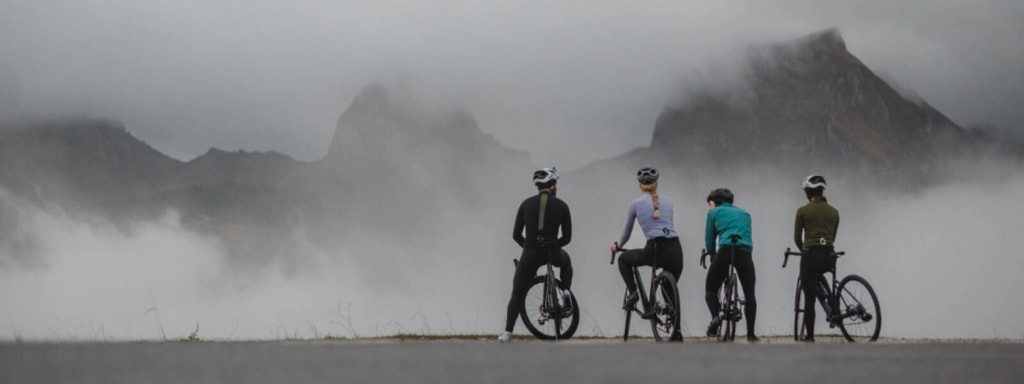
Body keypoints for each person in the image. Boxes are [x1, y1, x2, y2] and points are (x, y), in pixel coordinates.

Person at [499, 167, 573, 343]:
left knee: (517, 292)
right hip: (552, 251)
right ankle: (565, 292)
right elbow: (568, 237)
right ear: (553, 185)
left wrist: (530, 246)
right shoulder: (562, 205)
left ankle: (507, 333)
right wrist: (554, 245)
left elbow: (516, 235)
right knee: (566, 262)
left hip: (530, 252)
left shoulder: (525, 204)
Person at [610, 167, 684, 341]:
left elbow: (626, 233)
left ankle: (633, 292)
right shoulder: (669, 201)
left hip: (655, 248)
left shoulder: (635, 204)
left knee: (623, 259)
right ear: (656, 183)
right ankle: (677, 332)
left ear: (639, 185)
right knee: (669, 292)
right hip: (675, 249)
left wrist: (617, 245)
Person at [703, 188, 759, 342]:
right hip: (745, 253)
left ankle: (715, 318)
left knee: (711, 289)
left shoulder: (713, 213)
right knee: (750, 294)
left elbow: (709, 238)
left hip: (726, 250)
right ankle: (751, 334)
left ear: (713, 202)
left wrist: (712, 254)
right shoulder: (745, 214)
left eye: (709, 204)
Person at [793, 175, 840, 343]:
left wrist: (804, 250)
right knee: (828, 277)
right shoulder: (834, 212)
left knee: (809, 298)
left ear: (808, 193)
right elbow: (832, 236)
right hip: (829, 255)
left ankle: (810, 336)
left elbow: (797, 238)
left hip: (810, 256)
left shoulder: (802, 211)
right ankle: (836, 307)